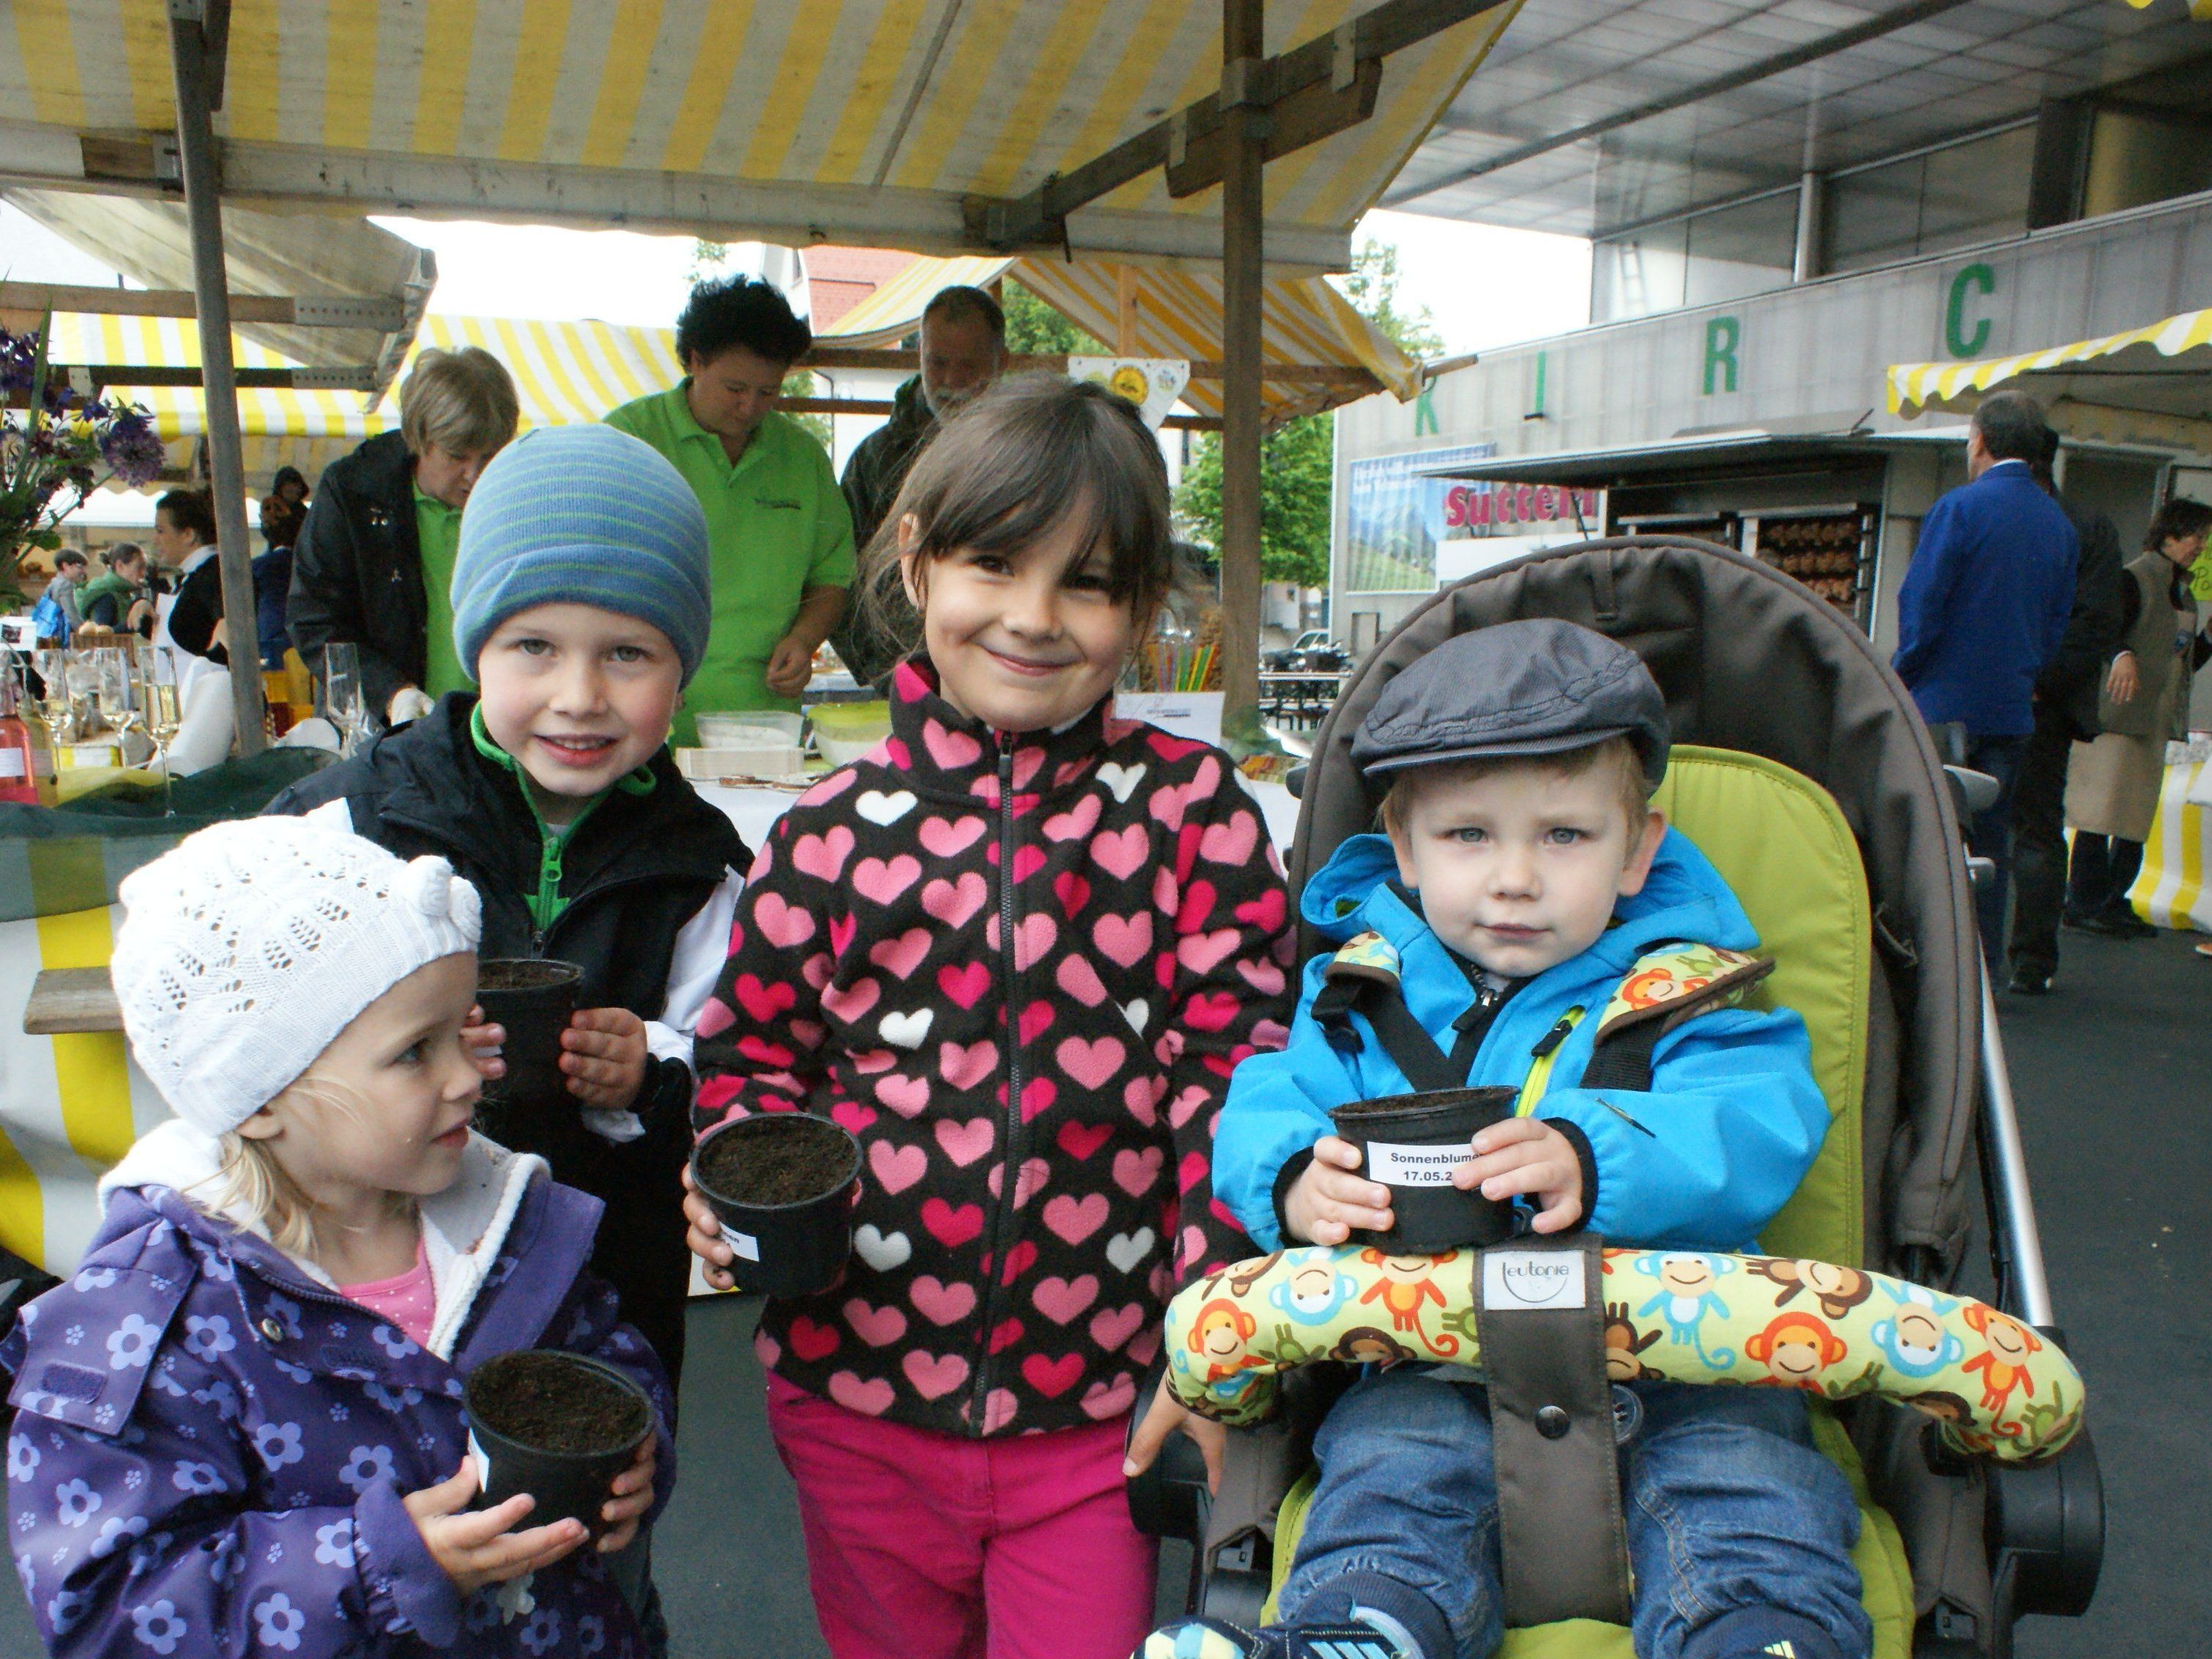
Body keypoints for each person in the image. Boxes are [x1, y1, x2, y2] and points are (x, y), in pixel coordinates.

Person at [684, 377, 1294, 1659]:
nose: (1031, 617)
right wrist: (726, 1173)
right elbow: (751, 1062)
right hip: (852, 1401)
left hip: (1105, 1413)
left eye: (1087, 582)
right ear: (913, 557)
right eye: (995, 562)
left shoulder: (1195, 812)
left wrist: (1212, 1346)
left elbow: (1236, 1089)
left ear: (1138, 609)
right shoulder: (824, 832)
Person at [1166, 620, 1860, 1659]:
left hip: (1685, 1366)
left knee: (1748, 1493)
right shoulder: (1360, 999)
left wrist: (1596, 1154)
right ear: (1402, 850)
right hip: (1432, 1371)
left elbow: (1760, 1119)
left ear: (1639, 851)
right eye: (1469, 836)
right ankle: (1362, 1634)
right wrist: (1295, 1177)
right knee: (1390, 1491)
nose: (1515, 879)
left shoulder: (1689, 995)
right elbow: (1271, 1096)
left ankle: (1758, 1633)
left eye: (1565, 837)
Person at [1, 816, 672, 1659]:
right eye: (413, 1053)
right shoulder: (149, 1317)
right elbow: (111, 1602)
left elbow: (602, 1355)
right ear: (259, 1095)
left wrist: (639, 1445)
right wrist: (372, 1566)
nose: (468, 1076)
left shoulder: (504, 1219)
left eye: (462, 1032)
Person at [268, 423, 750, 1399]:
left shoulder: (699, 869)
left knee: (594, 1522)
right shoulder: (352, 823)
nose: (579, 697)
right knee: (394, 1524)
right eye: (533, 646)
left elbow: (742, 1066)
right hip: (370, 1298)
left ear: (684, 665)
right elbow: (240, 1013)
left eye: (628, 653)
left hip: (607, 1299)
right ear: (474, 643)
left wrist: (652, 1069)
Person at [605, 275, 854, 742]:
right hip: (642, 714)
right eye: (735, 388)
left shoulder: (801, 456)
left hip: (761, 721)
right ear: (696, 361)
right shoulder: (629, 440)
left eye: (768, 392)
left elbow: (832, 574)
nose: (750, 407)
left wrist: (803, 641)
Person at [1892, 390, 2078, 967]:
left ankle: (1929, 973)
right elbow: (2054, 628)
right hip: (2011, 708)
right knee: (1991, 849)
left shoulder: (1959, 509)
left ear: (1978, 440)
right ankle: (1985, 976)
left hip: (1942, 703)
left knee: (1928, 844)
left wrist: (1902, 674)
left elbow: (1922, 606)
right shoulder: (2057, 525)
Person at [289, 347, 521, 728]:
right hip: (383, 733)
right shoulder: (352, 492)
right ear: (418, 437)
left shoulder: (521, 495)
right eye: (457, 456)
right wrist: (391, 693)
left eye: (490, 456)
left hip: (495, 733)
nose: (474, 474)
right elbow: (314, 618)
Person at [2004, 429, 2131, 994]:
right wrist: (2042, 681)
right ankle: (2031, 961)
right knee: (2037, 830)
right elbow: (2098, 620)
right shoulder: (2088, 525)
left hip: (1983, 698)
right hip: (2046, 705)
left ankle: (1960, 954)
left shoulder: (1977, 514)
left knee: (1961, 825)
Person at [832, 285, 1009, 685]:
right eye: (937, 363)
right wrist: (887, 674)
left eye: (969, 366)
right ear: (919, 357)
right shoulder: (876, 459)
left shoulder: (1032, 452)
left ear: (1002, 363)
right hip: (905, 677)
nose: (951, 381)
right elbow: (840, 577)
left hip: (1009, 668)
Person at [2063, 497, 2212, 938]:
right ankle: (2084, 901)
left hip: (2155, 718)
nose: (2200, 546)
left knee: (2134, 817)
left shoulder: (2181, 592)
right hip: (2118, 716)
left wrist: (2207, 639)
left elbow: (2183, 662)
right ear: (2169, 535)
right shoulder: (2133, 578)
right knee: (2100, 812)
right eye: (2195, 536)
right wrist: (2122, 653)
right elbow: (2101, 630)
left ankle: (2113, 899)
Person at [77, 542, 156, 635]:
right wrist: (138, 623)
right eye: (139, 567)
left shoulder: (123, 592)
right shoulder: (107, 594)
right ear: (120, 566)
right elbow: (102, 634)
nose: (144, 573)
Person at [260, 463, 310, 551]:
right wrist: (268, 524)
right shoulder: (272, 506)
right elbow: (269, 534)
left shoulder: (304, 513)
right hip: (277, 553)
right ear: (281, 487)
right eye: (293, 485)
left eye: (299, 487)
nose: (297, 490)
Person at [37, 550, 86, 635]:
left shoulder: (55, 582)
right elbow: (71, 614)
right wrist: (84, 630)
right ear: (65, 566)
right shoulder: (65, 585)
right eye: (79, 566)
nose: (83, 571)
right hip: (59, 633)